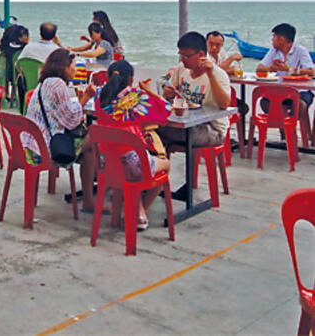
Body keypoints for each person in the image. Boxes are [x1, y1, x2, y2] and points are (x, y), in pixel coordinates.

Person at [95, 60, 172, 230]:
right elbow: (166, 110)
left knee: (131, 158)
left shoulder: (100, 98)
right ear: (131, 79)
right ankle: (140, 210)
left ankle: (137, 209)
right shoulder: (138, 99)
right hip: (132, 165)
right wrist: (150, 91)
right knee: (165, 164)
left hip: (107, 164)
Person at [23, 48, 98, 210]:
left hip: (28, 145)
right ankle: (90, 197)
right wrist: (85, 98)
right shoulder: (58, 84)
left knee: (88, 155)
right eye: (73, 65)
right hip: (43, 149)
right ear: (64, 66)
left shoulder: (45, 82)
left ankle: (89, 196)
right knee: (94, 134)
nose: (75, 69)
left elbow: (60, 111)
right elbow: (71, 121)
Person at [159, 31, 231, 149]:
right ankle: (159, 163)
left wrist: (210, 75)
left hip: (213, 128)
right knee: (151, 127)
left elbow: (224, 105)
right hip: (187, 122)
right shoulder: (182, 69)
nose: (182, 59)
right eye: (180, 55)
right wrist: (168, 93)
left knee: (160, 131)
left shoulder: (219, 75)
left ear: (201, 54)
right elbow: (168, 94)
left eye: (186, 56)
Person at [256, 23, 314, 138]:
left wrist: (289, 69)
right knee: (265, 102)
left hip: (300, 91)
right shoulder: (274, 51)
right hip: (280, 91)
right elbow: (259, 68)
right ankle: (286, 131)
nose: (272, 40)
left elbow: (312, 71)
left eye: (274, 37)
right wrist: (271, 68)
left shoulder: (300, 51)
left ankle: (289, 130)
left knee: (300, 105)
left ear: (281, 39)